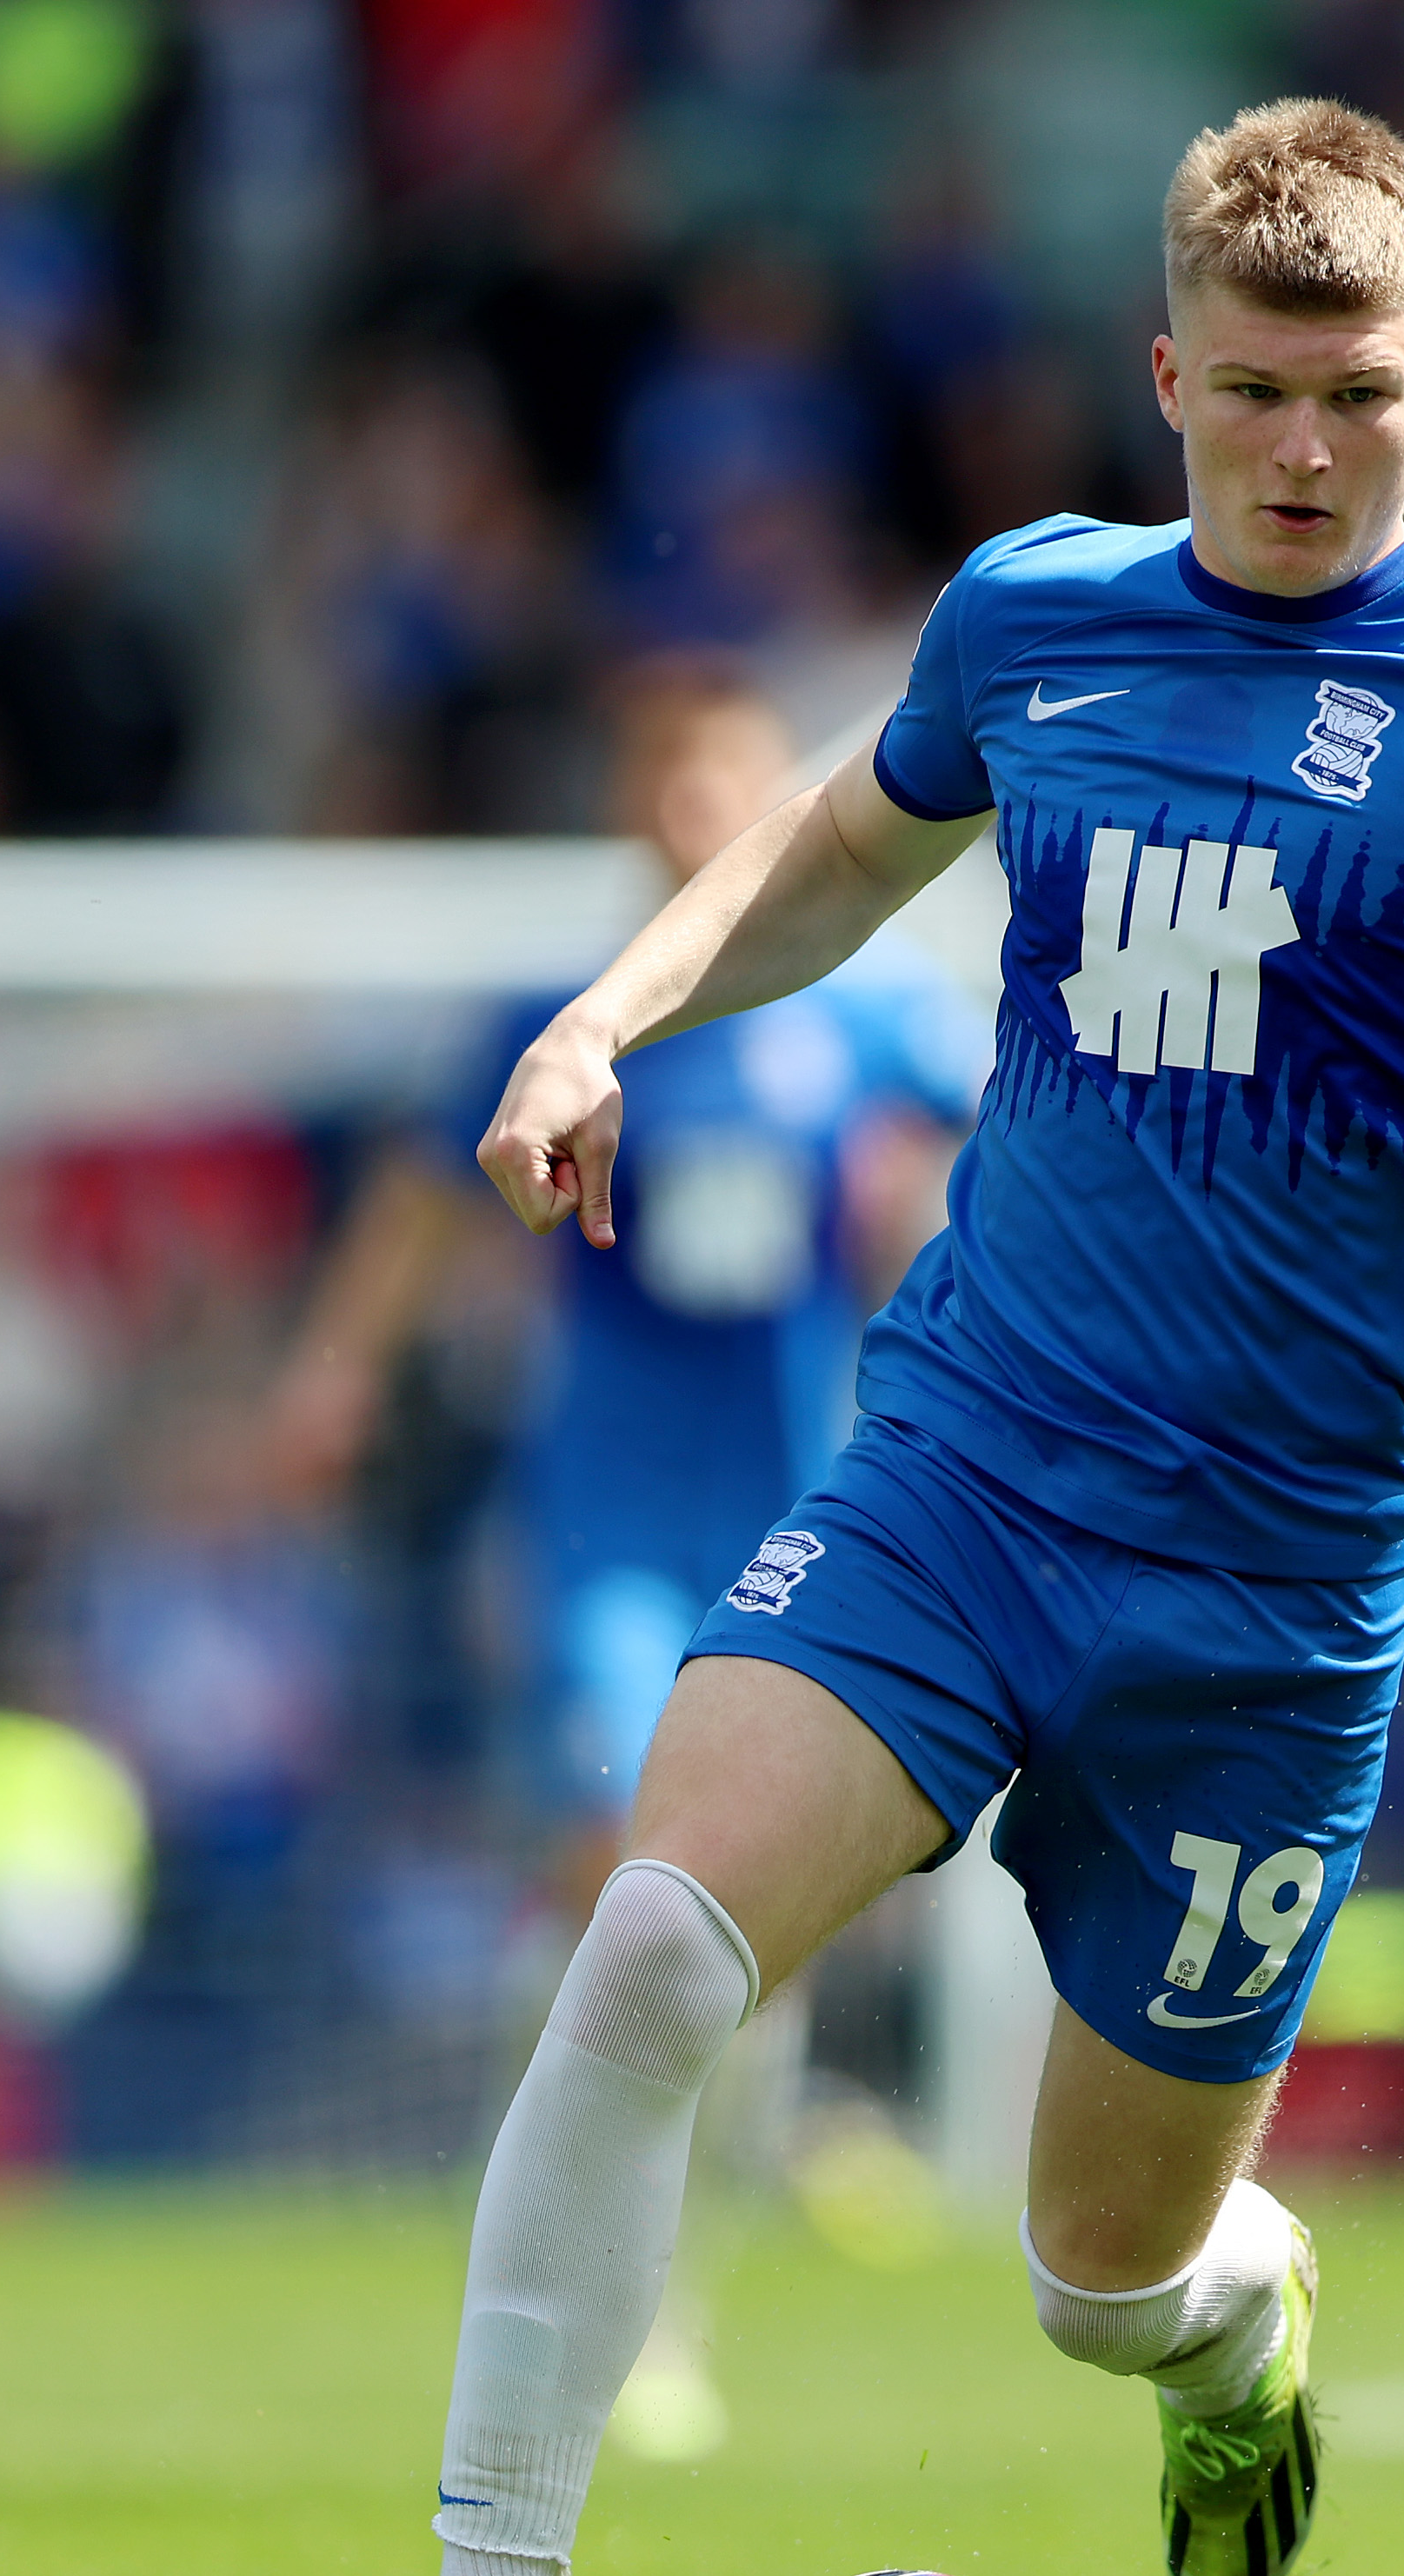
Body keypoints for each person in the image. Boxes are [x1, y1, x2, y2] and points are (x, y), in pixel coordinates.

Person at [354, 97, 1404, 2576]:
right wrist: (603, 1022)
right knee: (657, 1943)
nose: (1306, 449)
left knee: (1099, 2270)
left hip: (1274, 1591)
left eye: (1361, 398)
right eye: (1256, 392)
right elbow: (834, 850)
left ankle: (1228, 2328)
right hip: (966, 1463)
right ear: (1167, 372)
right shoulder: (1035, 615)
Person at [269, 653, 975, 2460]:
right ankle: (546, 2253)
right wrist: (339, 1368)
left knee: (744, 1931)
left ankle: (664, 2303)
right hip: (604, 1526)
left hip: (800, 1522)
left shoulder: (867, 1019)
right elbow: (423, 1194)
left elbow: (1010, 1145)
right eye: (662, 779)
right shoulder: (571, 1017)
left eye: (722, 776)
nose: (690, 810)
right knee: (625, 1883)